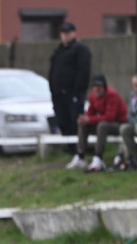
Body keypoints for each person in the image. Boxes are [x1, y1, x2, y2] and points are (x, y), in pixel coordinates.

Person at [49, 22, 91, 157]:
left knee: (75, 122)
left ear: (74, 33)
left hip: (73, 94)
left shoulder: (80, 49)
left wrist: (76, 91)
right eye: (63, 33)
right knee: (62, 121)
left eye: (68, 33)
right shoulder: (59, 50)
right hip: (58, 95)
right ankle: (69, 147)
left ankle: (78, 150)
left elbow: (83, 72)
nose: (65, 36)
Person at [70, 74, 128, 172]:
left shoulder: (111, 95)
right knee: (83, 124)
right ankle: (80, 155)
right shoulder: (93, 96)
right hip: (106, 124)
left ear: (104, 86)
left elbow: (110, 117)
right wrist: (84, 119)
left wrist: (90, 119)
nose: (97, 89)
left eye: (99, 86)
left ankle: (98, 157)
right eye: (95, 86)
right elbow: (90, 113)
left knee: (102, 125)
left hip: (119, 124)